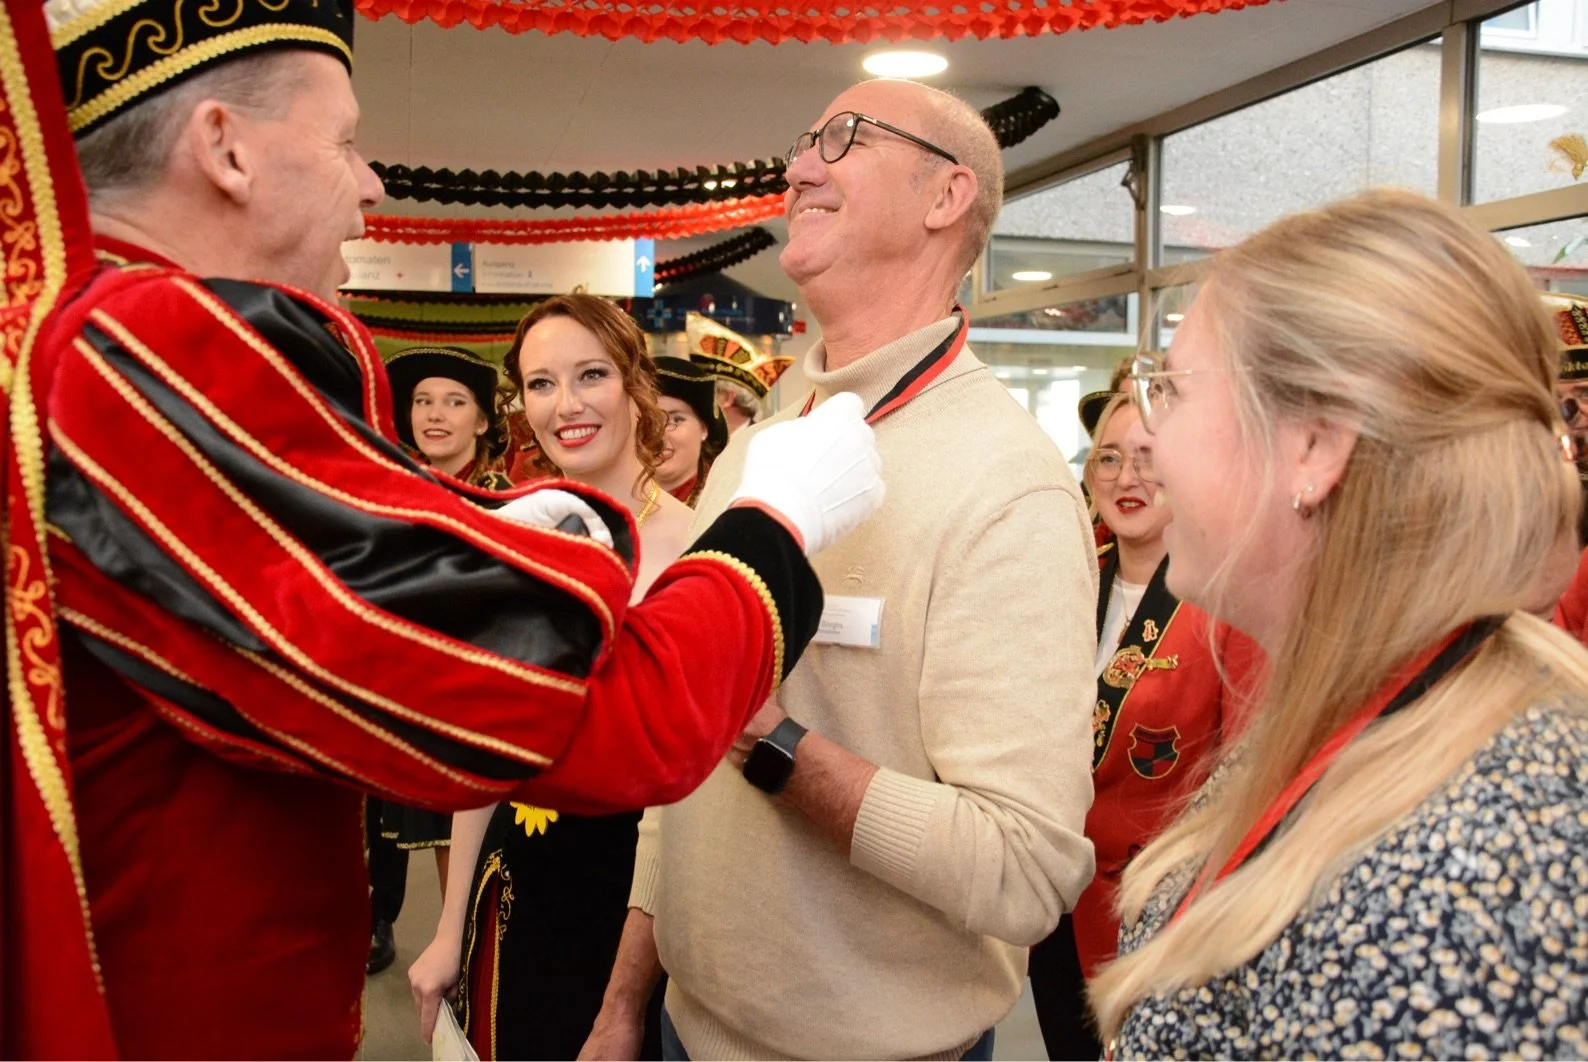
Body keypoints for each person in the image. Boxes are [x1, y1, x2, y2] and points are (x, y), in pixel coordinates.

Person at [1, 1, 884, 1055]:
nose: (371, 183)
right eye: (342, 141)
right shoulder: (145, 342)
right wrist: (776, 524)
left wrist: (497, 535)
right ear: (225, 147)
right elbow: (608, 724)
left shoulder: (59, 333)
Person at [582, 78, 1098, 1061]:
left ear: (946, 195)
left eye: (844, 137)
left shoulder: (1008, 483)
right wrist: (624, 998)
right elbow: (683, 771)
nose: (796, 168)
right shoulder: (759, 447)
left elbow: (1025, 871)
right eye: (803, 140)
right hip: (682, 1025)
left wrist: (771, 742)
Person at [1091, 189, 1588, 1058]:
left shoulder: (1469, 870)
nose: (1152, 446)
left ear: (1315, 447)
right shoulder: (1366, 710)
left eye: (1172, 390)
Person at [410, 295, 689, 1059]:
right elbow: (486, 748)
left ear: (635, 383)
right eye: (541, 383)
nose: (565, 405)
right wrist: (447, 928)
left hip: (646, 899)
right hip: (518, 887)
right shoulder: (510, 537)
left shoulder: (699, 548)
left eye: (590, 375)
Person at [1027, 393, 1257, 1060]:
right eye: (1109, 458)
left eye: (1148, 459)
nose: (1127, 478)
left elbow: (1249, 777)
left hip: (1160, 921)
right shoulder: (1064, 581)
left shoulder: (1225, 600)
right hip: (1052, 909)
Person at [388, 344, 514, 491]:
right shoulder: (395, 494)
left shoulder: (501, 500)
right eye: (423, 401)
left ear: (481, 423)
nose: (434, 415)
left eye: (455, 403)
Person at [685, 312, 792, 434]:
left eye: (705, 394)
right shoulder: (702, 441)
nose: (697, 403)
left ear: (727, 398)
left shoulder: (764, 441)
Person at [654, 356, 728, 505]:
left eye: (676, 420)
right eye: (649, 421)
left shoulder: (725, 501)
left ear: (704, 429)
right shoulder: (613, 500)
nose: (660, 434)